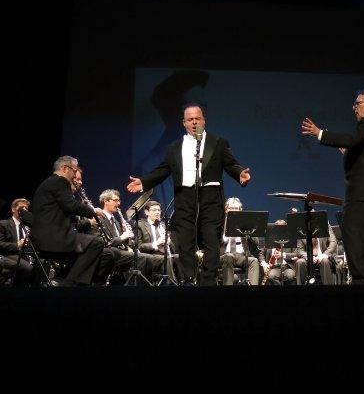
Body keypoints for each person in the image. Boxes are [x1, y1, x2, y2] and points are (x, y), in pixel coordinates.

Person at [127, 103, 251, 286]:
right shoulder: (174, 147)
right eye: (190, 119)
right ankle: (188, 280)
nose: (194, 122)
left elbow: (231, 164)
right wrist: (144, 182)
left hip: (210, 200)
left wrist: (240, 174)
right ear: (183, 123)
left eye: (197, 118)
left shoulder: (218, 142)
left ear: (204, 121)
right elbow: (162, 170)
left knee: (211, 243)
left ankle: (208, 282)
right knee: (185, 244)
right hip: (185, 199)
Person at [301, 88, 364, 284]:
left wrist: (319, 133)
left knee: (352, 231)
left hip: (361, 191)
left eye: (357, 104)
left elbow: (352, 140)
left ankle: (362, 280)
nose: (354, 108)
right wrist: (349, 154)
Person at [30, 156, 106, 286]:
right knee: (96, 244)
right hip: (53, 238)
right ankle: (68, 284)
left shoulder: (50, 182)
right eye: (74, 170)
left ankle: (59, 281)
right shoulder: (59, 181)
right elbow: (70, 205)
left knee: (90, 251)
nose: (74, 174)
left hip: (45, 237)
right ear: (65, 168)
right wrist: (93, 211)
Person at [219, 197, 260, 286]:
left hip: (241, 256)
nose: (234, 211)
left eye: (236, 209)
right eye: (231, 208)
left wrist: (249, 232)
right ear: (226, 210)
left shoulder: (245, 224)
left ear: (240, 210)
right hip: (224, 256)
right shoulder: (220, 224)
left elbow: (256, 242)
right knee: (228, 257)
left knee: (254, 261)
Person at [0, 198, 34, 285]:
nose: (24, 210)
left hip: (25, 254)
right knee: (28, 268)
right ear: (13, 209)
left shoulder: (27, 227)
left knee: (42, 265)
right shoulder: (4, 224)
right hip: (9, 254)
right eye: (21, 207)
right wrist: (17, 245)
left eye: (26, 208)